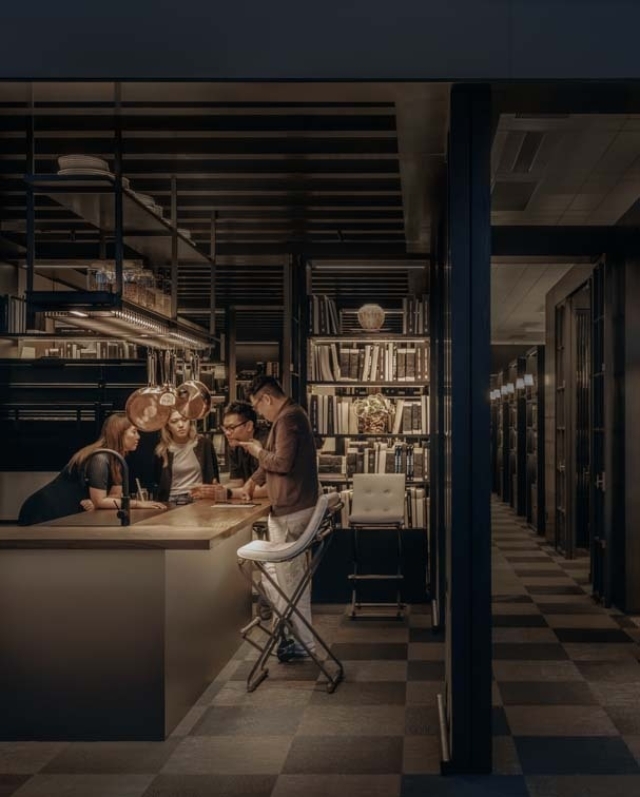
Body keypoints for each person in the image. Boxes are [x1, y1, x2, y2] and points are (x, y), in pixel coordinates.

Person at [238, 375, 320, 661]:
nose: (259, 413)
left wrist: (257, 450)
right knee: (280, 577)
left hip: (291, 510)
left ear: (267, 399)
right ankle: (289, 633)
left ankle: (303, 644)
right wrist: (251, 482)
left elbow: (281, 463)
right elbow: (273, 458)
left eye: (258, 407)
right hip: (292, 508)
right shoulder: (288, 417)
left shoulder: (288, 420)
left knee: (291, 582)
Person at [18, 413, 165, 525]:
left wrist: (100, 501)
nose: (138, 437)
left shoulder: (116, 459)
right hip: (44, 510)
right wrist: (138, 504)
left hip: (63, 513)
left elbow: (114, 497)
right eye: (134, 432)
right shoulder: (100, 457)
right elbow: (102, 501)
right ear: (119, 434)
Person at [190, 401, 268, 501]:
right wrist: (215, 489)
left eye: (231, 428)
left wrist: (228, 493)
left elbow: (269, 489)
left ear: (249, 426)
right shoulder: (234, 446)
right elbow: (238, 482)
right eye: (225, 428)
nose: (227, 433)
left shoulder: (267, 443)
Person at [154, 409, 220, 502]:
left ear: (190, 422)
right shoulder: (162, 450)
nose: (181, 425)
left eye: (184, 420)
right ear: (168, 426)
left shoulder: (204, 444)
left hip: (198, 497)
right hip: (172, 499)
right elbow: (157, 482)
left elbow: (214, 475)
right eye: (174, 421)